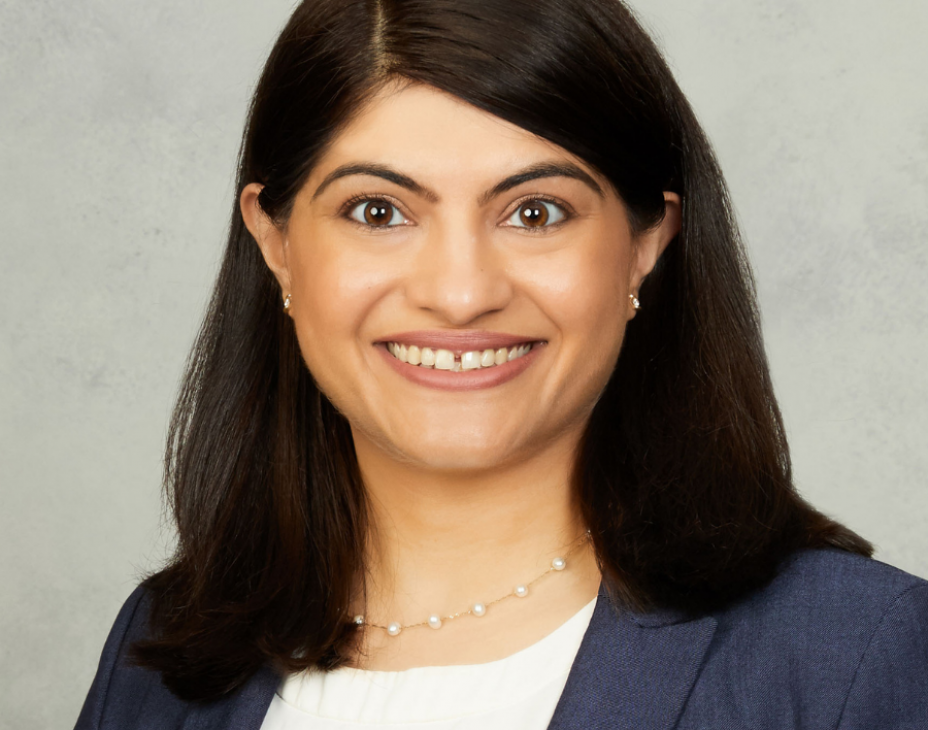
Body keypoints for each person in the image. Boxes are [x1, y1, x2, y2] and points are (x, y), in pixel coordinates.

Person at [75, 0, 928, 728]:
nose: (459, 293)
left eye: (535, 212)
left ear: (645, 245)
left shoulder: (850, 653)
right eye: (378, 210)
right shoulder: (166, 656)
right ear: (276, 244)